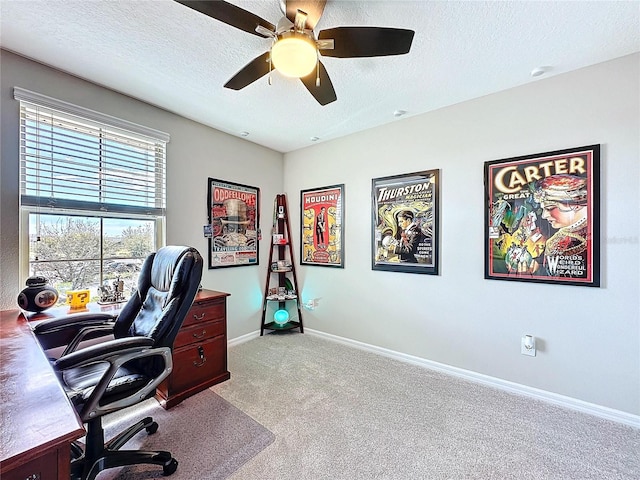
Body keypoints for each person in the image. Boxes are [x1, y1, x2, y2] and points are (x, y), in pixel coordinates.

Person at [533, 174, 589, 277]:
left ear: (575, 205)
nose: (544, 215)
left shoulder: (572, 241)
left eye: (550, 208)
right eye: (543, 209)